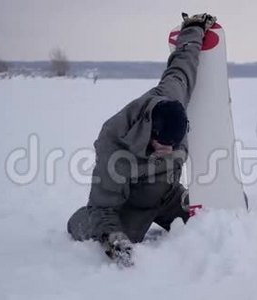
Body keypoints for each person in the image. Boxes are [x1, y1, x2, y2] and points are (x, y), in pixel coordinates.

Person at [67, 13, 217, 267]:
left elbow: (183, 66)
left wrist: (192, 29)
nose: (169, 151)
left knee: (207, 219)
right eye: (163, 145)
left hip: (169, 195)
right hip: (132, 206)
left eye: (174, 144)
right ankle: (80, 221)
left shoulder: (171, 97)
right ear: (150, 131)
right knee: (116, 229)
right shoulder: (114, 145)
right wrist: (112, 238)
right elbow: (104, 207)